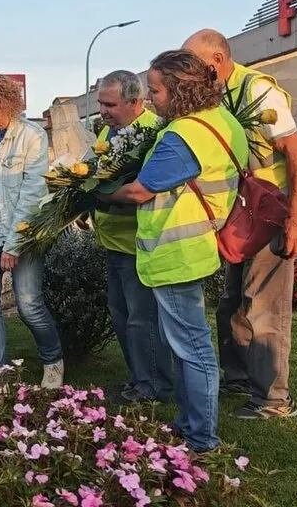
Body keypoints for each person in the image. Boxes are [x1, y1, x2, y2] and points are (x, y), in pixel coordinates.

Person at [103, 49, 249, 452]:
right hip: (197, 244)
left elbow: (140, 191)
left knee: (192, 348)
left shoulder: (183, 134)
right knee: (189, 345)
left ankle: (201, 437)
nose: (150, 100)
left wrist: (97, 194)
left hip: (175, 251)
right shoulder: (223, 120)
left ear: (180, 90)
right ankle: (188, 424)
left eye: (155, 91)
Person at [183, 29, 297, 419]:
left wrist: (296, 221)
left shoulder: (258, 91)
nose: (188, 71)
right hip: (241, 217)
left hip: (269, 214)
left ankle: (274, 400)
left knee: (263, 307)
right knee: (232, 304)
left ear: (217, 60)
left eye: (193, 63)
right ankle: (238, 378)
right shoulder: (216, 94)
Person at [0, 72, 64, 388]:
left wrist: (13, 245)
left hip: (21, 234)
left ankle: (53, 361)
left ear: (3, 102)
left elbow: (32, 195)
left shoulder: (32, 136)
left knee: (29, 305)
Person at [90, 70, 173, 403]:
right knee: (122, 315)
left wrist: (100, 194)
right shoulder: (108, 131)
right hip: (113, 241)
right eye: (100, 103)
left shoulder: (153, 133)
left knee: (142, 320)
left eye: (110, 105)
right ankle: (139, 379)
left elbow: (142, 190)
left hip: (138, 244)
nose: (103, 111)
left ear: (136, 101)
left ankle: (153, 386)